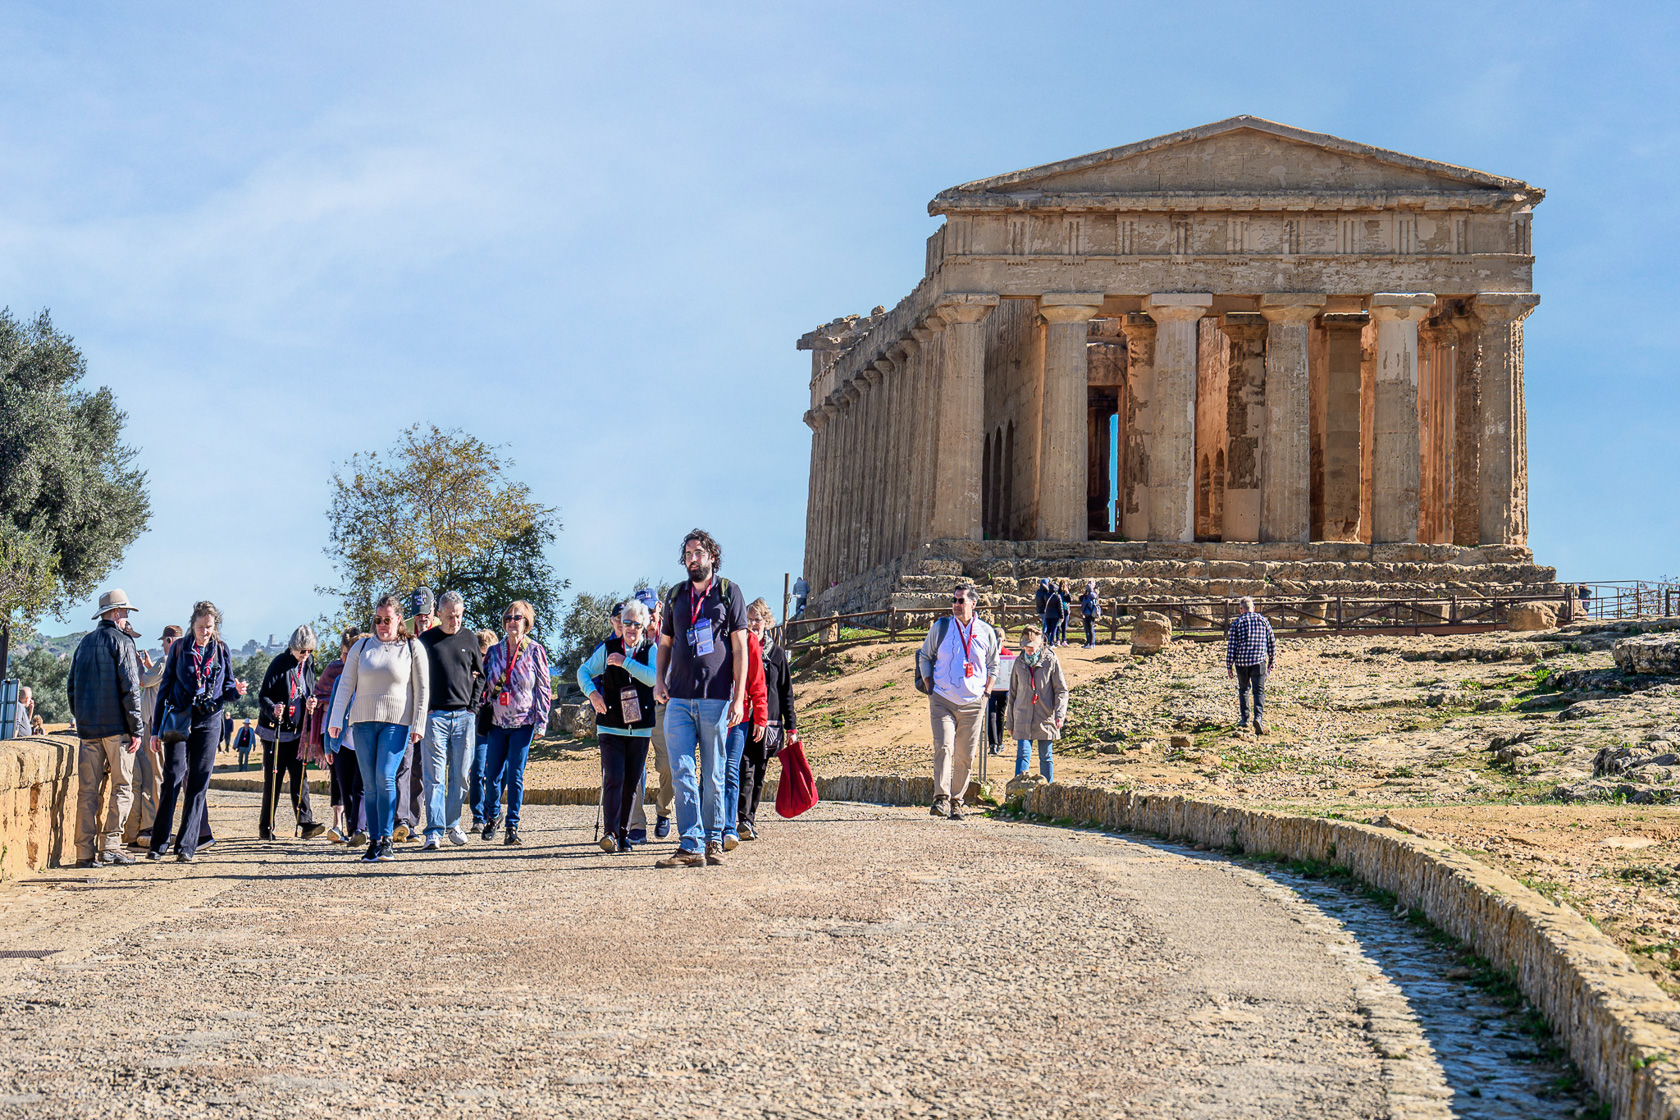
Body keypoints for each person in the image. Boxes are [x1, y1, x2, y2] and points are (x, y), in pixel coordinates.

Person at [653, 529, 749, 868]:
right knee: (681, 772)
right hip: (678, 698)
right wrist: (659, 681)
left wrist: (739, 696)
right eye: (688, 554)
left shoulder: (729, 592)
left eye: (699, 553)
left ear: (712, 557)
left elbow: (740, 647)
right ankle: (689, 844)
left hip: (716, 698)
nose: (693, 559)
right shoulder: (676, 595)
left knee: (713, 773)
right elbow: (665, 643)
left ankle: (713, 840)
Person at [327, 595, 429, 863]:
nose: (382, 624)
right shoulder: (361, 647)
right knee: (370, 783)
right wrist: (335, 721)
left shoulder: (412, 647)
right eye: (378, 620)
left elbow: (422, 689)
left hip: (396, 723)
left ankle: (386, 840)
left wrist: (418, 723)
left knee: (385, 776)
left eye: (387, 619)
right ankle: (373, 842)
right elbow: (345, 684)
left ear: (399, 619)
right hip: (362, 723)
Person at [149, 601, 247, 863]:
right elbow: (164, 688)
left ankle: (186, 846)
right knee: (172, 778)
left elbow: (227, 690)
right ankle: (159, 844)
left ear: (215, 627)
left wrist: (237, 691)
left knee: (198, 783)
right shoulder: (180, 648)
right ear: (193, 625)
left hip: (209, 722)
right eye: (201, 627)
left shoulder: (221, 650)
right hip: (180, 720)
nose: (205, 632)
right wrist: (155, 731)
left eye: (209, 627)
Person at [65, 589, 145, 867]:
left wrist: (82, 717)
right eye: (125, 612)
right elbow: (131, 689)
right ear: (116, 612)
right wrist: (137, 729)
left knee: (87, 792)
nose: (126, 616)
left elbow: (71, 687)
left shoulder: (84, 643)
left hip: (89, 730)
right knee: (122, 787)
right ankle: (111, 844)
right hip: (117, 730)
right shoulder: (123, 642)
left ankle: (83, 852)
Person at [915, 583, 1000, 821]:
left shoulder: (986, 631)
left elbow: (994, 665)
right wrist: (929, 684)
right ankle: (941, 798)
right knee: (944, 746)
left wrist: (987, 693)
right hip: (942, 699)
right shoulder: (941, 627)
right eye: (954, 600)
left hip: (974, 703)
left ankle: (957, 801)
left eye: (961, 601)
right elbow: (924, 655)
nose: (956, 605)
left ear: (973, 603)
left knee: (965, 755)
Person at [579, 598, 658, 853]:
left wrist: (625, 662)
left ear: (644, 625)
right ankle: (610, 834)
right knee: (614, 778)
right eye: (627, 623)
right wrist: (593, 694)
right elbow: (583, 672)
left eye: (637, 624)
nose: (631, 628)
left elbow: (654, 678)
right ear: (620, 624)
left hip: (640, 728)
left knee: (631, 782)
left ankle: (623, 835)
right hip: (610, 726)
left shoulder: (650, 649)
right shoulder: (608, 648)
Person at [480, 600, 551, 846]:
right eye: (508, 617)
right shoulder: (493, 652)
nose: (512, 621)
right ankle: (493, 816)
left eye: (517, 617)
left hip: (523, 722)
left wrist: (542, 721)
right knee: (492, 774)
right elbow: (482, 685)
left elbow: (544, 688)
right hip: (497, 722)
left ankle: (512, 825)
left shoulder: (535, 650)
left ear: (526, 622)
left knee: (515, 776)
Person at [419, 590, 483, 850]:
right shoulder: (426, 640)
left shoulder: (469, 638)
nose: (454, 621)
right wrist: (424, 710)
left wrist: (473, 708)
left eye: (458, 616)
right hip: (435, 716)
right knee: (434, 777)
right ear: (439, 614)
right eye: (449, 616)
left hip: (464, 716)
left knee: (461, 776)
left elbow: (481, 675)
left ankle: (452, 823)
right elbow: (416, 677)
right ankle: (434, 830)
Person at [256, 627, 326, 841]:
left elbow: (309, 689)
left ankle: (305, 823)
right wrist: (274, 708)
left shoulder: (309, 663)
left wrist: (312, 701)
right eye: (302, 651)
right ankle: (266, 827)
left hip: (298, 733)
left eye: (309, 651)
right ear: (293, 647)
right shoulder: (279, 663)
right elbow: (263, 696)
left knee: (300, 778)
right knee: (274, 780)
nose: (305, 655)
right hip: (275, 733)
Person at [738, 599, 795, 842]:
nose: (753, 624)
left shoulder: (777, 654)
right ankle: (741, 819)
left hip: (769, 722)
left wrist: (791, 727)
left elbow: (786, 692)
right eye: (749, 620)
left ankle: (749, 820)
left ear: (767, 622)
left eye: (757, 620)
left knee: (759, 772)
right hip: (744, 719)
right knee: (744, 769)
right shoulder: (740, 649)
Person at [126, 624, 183, 848]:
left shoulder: (166, 660)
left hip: (153, 723)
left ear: (169, 641)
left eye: (164, 642)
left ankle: (156, 824)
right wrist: (150, 666)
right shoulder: (180, 661)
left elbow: (144, 681)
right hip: (171, 724)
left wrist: (140, 665)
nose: (163, 646)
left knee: (155, 774)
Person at [628, 589, 675, 844]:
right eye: (642, 609)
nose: (647, 614)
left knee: (668, 764)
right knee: (634, 766)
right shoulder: (632, 636)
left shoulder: (672, 632)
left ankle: (663, 811)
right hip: (635, 707)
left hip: (663, 707)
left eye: (649, 608)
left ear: (658, 606)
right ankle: (636, 824)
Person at [721, 607, 768, 851]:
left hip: (740, 715)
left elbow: (758, 680)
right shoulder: (712, 634)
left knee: (731, 769)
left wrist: (761, 716)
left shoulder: (749, 639)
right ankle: (707, 826)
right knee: (710, 772)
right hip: (712, 712)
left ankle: (729, 828)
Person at [312, 627, 363, 845]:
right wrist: (327, 745)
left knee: (359, 786)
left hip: (361, 739)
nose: (344, 659)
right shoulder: (336, 674)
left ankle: (360, 828)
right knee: (342, 784)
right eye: (342, 653)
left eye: (348, 654)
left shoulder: (368, 676)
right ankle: (347, 828)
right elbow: (330, 706)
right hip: (338, 738)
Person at [393, 586, 436, 841]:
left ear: (434, 610)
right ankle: (403, 821)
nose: (422, 618)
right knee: (405, 765)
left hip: (434, 710)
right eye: (417, 614)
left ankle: (415, 821)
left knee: (422, 769)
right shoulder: (404, 631)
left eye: (426, 613)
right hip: (407, 708)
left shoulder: (442, 628)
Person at [1008, 624, 1067, 782]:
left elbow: (1061, 690)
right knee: (1022, 755)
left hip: (1045, 716)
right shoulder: (1019, 662)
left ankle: (1047, 789)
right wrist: (1010, 722)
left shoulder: (1050, 660)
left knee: (1046, 756)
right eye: (1026, 646)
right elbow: (1012, 693)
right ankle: (1018, 790)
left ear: (1040, 644)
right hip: (1022, 716)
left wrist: (1059, 715)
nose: (1029, 650)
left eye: (1032, 647)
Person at [1226, 596, 1277, 735]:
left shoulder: (1237, 623)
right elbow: (1271, 642)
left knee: (1243, 689)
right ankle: (1258, 717)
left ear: (1241, 609)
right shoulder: (1263, 621)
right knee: (1258, 691)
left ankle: (1245, 718)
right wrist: (1271, 661)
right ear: (1253, 608)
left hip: (1241, 662)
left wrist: (1229, 665)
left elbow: (1232, 646)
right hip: (1258, 661)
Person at [467, 628, 499, 833]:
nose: (484, 659)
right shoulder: (469, 669)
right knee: (477, 770)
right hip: (478, 720)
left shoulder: (500, 668)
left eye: (487, 654)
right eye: (480, 654)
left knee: (497, 771)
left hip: (498, 720)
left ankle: (492, 811)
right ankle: (478, 816)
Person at [985, 629, 1015, 758]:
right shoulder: (1008, 653)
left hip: (990, 687)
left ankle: (992, 743)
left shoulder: (987, 653)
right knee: (1001, 715)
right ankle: (999, 742)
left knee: (991, 714)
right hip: (1003, 688)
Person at [1043, 583, 1067, 651]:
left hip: (1047, 615)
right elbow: (1060, 607)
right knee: (1054, 629)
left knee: (1048, 629)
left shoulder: (1046, 595)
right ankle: (1051, 643)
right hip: (1055, 615)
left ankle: (1044, 642)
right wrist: (1062, 616)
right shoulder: (1057, 596)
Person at [1079, 581, 1101, 649]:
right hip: (1092, 613)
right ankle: (1092, 643)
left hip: (1087, 614)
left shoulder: (1087, 597)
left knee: (1089, 629)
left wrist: (1082, 611)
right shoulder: (1094, 595)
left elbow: (1084, 604)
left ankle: (1090, 643)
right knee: (1091, 628)